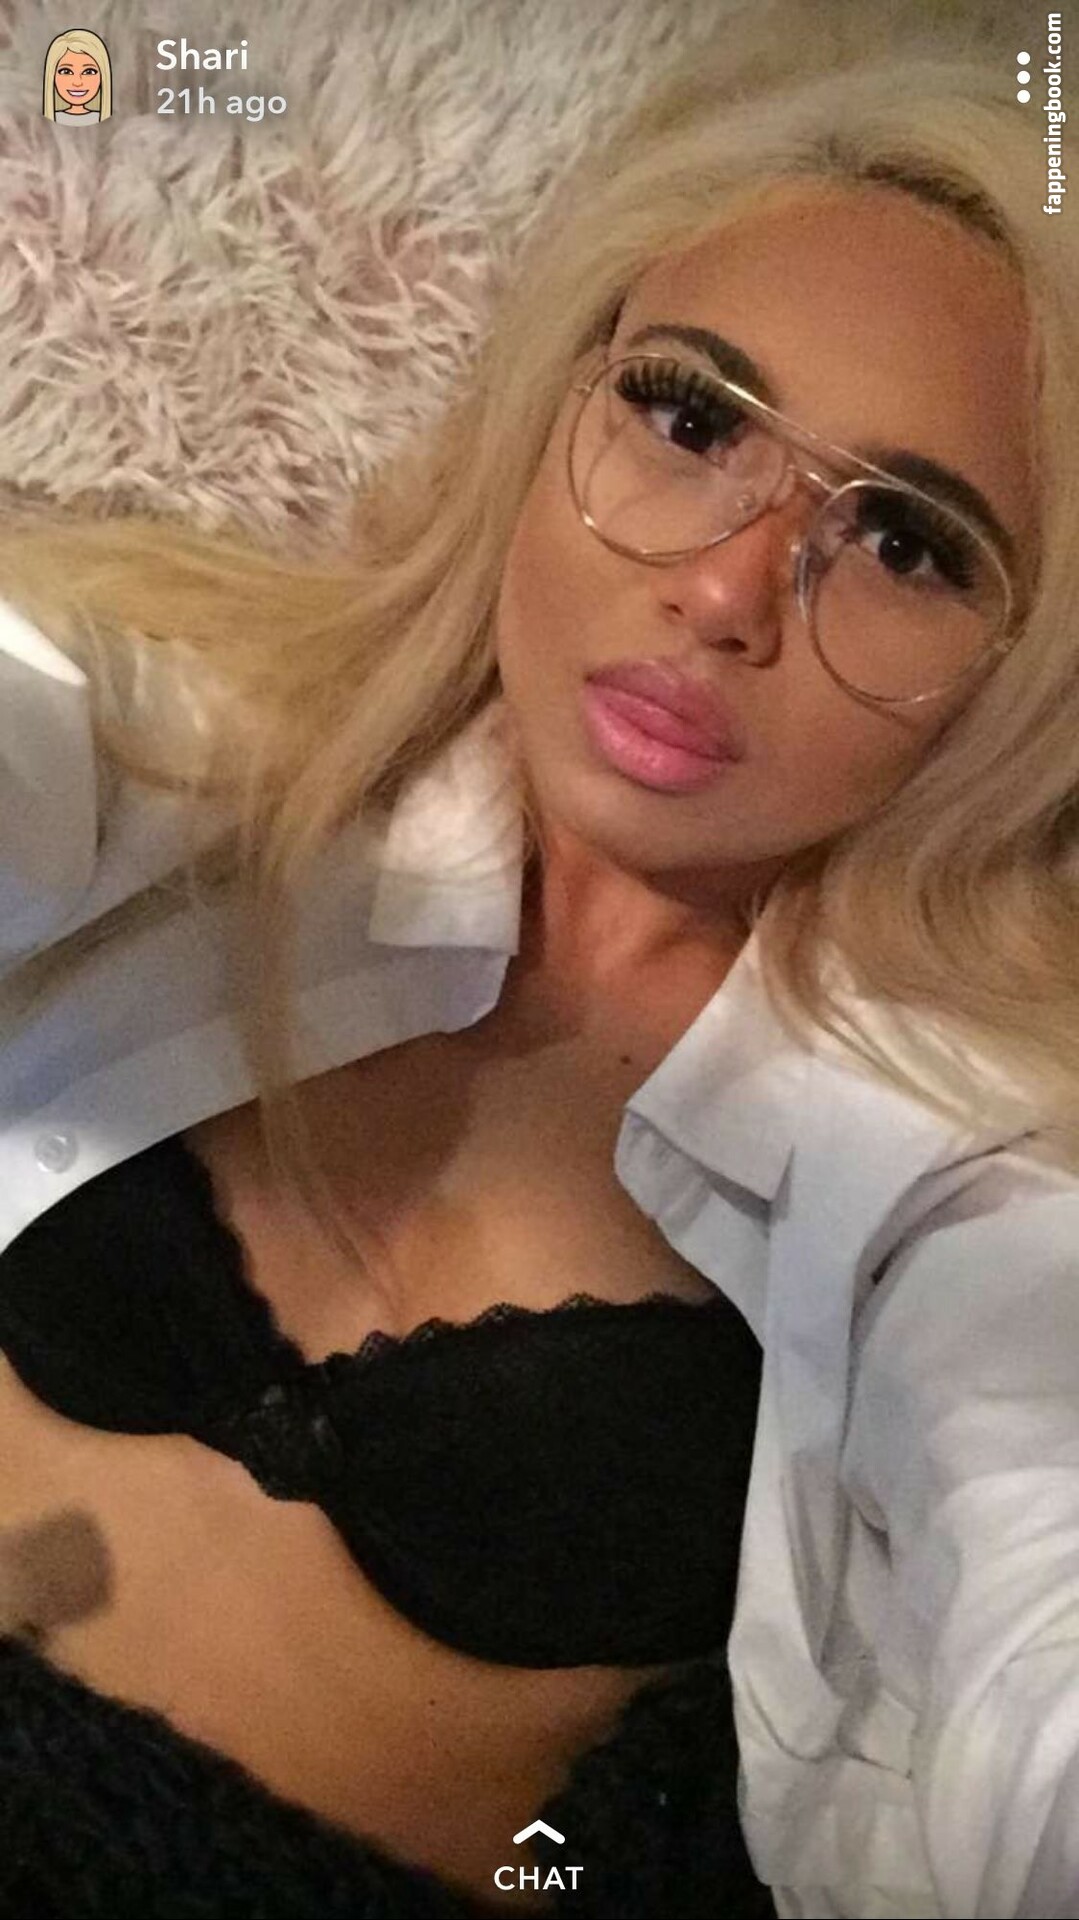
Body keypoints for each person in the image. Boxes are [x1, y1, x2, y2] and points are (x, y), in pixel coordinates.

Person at [0, 3, 1077, 1915]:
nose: (727, 589)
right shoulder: (203, 756)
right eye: (690, 418)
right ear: (552, 397)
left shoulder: (980, 1179)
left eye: (907, 542)